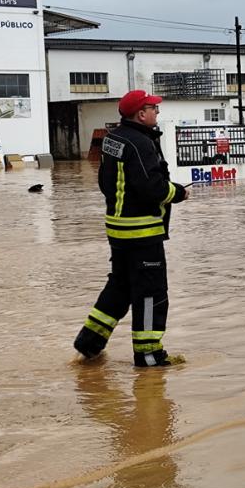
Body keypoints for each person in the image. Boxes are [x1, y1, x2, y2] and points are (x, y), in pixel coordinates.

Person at [74, 89, 189, 367]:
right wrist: (177, 192)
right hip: (142, 233)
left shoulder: (113, 139)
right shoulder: (140, 143)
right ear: (141, 114)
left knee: (120, 288)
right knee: (151, 294)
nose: (157, 112)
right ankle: (149, 355)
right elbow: (152, 187)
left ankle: (89, 345)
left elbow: (104, 183)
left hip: (118, 230)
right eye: (153, 108)